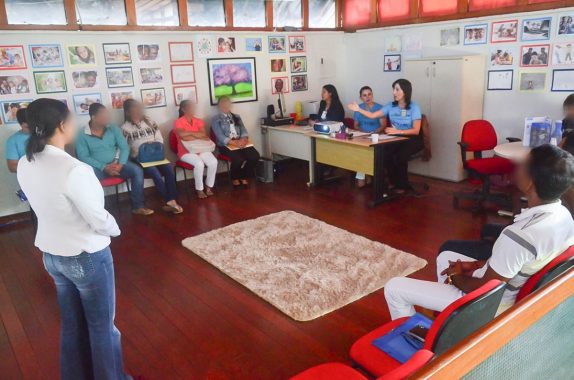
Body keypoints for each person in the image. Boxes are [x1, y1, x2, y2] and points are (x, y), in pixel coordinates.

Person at [384, 145, 574, 320]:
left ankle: (412, 340)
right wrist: (476, 264)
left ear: (530, 183)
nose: (517, 165)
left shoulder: (519, 236)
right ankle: (453, 321)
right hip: (507, 283)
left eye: (523, 163)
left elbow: (486, 289)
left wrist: (456, 277)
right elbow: (515, 263)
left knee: (394, 288)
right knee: (446, 255)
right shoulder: (564, 215)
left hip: (492, 307)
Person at [16, 98, 132, 380]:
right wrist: (115, 229)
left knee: (71, 325)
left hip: (52, 256)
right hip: (86, 256)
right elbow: (98, 218)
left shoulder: (25, 162)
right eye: (70, 120)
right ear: (60, 125)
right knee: (102, 328)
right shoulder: (74, 169)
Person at [76, 103, 154, 216]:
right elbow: (83, 156)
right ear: (93, 117)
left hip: (117, 164)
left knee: (137, 170)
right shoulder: (82, 134)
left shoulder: (112, 128)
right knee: (86, 179)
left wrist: (121, 164)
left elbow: (124, 147)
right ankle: (96, 213)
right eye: (104, 115)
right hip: (97, 168)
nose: (107, 118)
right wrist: (104, 167)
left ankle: (138, 206)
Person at [349, 79, 423, 192]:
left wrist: (397, 131)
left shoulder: (414, 107)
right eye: (394, 89)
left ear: (405, 91)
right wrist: (358, 109)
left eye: (397, 89)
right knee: (384, 154)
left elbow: (416, 130)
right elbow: (373, 115)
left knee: (400, 156)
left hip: (413, 137)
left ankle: (403, 185)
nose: (394, 92)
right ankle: (392, 183)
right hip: (397, 137)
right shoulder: (390, 106)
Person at [121, 99, 183, 213]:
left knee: (169, 169)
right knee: (154, 172)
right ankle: (169, 200)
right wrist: (139, 149)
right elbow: (125, 147)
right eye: (133, 109)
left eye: (138, 107)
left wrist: (154, 145)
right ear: (128, 112)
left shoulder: (149, 121)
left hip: (156, 155)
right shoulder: (125, 128)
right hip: (140, 157)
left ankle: (172, 199)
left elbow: (159, 137)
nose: (137, 110)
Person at [212, 96, 260, 187]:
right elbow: (220, 136)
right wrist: (234, 143)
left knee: (255, 156)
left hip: (240, 142)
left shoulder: (237, 117)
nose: (226, 107)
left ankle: (243, 175)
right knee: (238, 159)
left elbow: (243, 130)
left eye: (227, 105)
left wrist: (243, 139)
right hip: (225, 145)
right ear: (219, 106)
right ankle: (234, 177)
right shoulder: (216, 119)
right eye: (223, 105)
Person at [174, 100, 218, 198]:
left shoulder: (198, 121)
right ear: (183, 109)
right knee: (199, 164)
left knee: (213, 162)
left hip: (201, 148)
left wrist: (190, 134)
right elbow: (182, 136)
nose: (194, 108)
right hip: (185, 151)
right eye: (191, 107)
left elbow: (203, 134)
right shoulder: (178, 122)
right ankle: (199, 189)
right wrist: (196, 134)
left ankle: (208, 186)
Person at [353, 86, 384, 188]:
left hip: (376, 136)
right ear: (361, 97)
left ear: (372, 95)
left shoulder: (379, 108)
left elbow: (383, 125)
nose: (367, 97)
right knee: (359, 150)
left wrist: (373, 133)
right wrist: (364, 133)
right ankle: (364, 175)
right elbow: (355, 126)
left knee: (365, 151)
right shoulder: (358, 108)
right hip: (362, 135)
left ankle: (361, 176)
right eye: (364, 95)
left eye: (369, 94)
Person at [5, 108, 30, 173]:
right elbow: (12, 167)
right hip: (27, 180)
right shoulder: (13, 140)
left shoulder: (44, 135)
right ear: (20, 124)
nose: (32, 129)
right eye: (27, 127)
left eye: (34, 126)